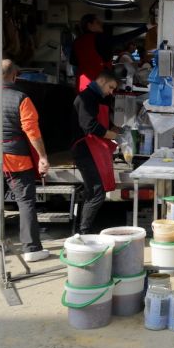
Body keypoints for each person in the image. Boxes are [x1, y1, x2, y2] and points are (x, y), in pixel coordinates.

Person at [0, 60, 51, 262]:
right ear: (15, 75)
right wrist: (43, 157)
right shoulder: (21, 98)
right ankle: (32, 249)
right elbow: (32, 132)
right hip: (16, 160)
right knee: (26, 202)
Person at [72, 70, 121, 234]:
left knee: (93, 191)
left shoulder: (98, 98)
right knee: (96, 192)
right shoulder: (86, 98)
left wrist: (115, 128)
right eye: (111, 87)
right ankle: (83, 233)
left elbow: (102, 123)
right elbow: (90, 126)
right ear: (102, 81)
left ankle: (82, 230)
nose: (111, 92)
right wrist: (112, 135)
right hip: (85, 150)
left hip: (94, 149)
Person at [71, 13, 150, 93]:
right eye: (97, 22)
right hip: (99, 85)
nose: (101, 24)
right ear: (89, 25)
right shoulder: (99, 38)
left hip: (82, 84)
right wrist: (145, 28)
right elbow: (121, 39)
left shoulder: (77, 42)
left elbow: (73, 61)